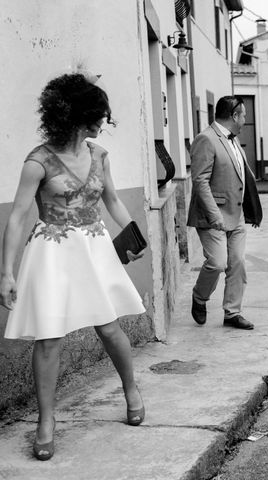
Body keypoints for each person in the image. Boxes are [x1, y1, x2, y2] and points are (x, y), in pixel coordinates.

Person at [0, 73, 147, 461]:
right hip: (53, 252)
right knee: (49, 337)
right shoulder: (38, 161)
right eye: (99, 116)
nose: (103, 123)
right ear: (77, 117)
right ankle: (46, 422)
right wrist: (6, 273)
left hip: (95, 247)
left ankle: (131, 388)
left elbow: (112, 199)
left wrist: (133, 233)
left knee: (110, 327)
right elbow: (16, 218)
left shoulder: (99, 155)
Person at [188, 96, 263, 330]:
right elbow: (200, 181)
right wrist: (215, 215)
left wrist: (250, 209)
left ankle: (232, 313)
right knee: (217, 263)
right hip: (214, 217)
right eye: (243, 116)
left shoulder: (233, 140)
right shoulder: (206, 139)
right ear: (234, 116)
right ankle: (200, 297)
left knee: (238, 263)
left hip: (237, 214)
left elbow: (241, 177)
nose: (244, 121)